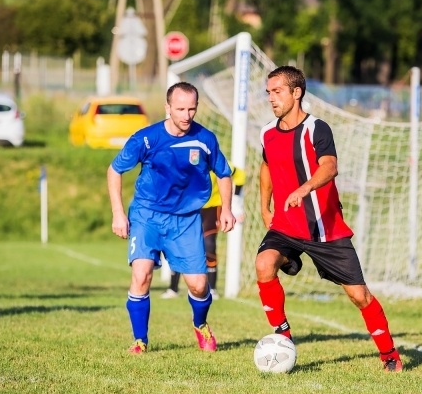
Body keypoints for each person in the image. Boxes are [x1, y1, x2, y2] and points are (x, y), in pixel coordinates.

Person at [255, 66, 404, 373]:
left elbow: (330, 167)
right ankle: (283, 337)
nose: (271, 98)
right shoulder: (267, 132)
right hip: (285, 224)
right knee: (263, 265)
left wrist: (304, 188)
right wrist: (264, 206)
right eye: (268, 92)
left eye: (277, 91)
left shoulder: (316, 129)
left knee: (359, 296)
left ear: (296, 93)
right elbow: (267, 167)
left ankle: (389, 354)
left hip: (325, 228)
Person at [107, 81, 235, 354]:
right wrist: (118, 213)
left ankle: (200, 324)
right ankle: (140, 340)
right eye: (180, 109)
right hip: (147, 215)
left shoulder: (205, 139)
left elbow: (224, 173)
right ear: (167, 107)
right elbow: (114, 170)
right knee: (141, 274)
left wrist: (226, 208)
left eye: (191, 109)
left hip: (186, 219)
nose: (186, 115)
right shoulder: (146, 138)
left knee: (200, 286)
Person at [161, 163, 246, 300]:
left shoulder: (218, 161)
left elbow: (240, 175)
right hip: (188, 208)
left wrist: (235, 202)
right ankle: (173, 288)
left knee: (209, 244)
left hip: (211, 208)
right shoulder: (183, 159)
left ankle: (212, 289)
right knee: (180, 244)